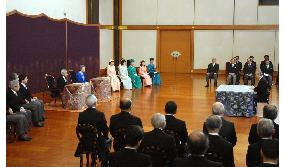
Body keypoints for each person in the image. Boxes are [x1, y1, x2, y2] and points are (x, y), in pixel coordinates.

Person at [75, 95, 110, 162]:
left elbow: (80, 129)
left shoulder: (81, 114)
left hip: (84, 141)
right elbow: (105, 129)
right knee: (107, 141)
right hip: (97, 142)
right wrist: (106, 137)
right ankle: (105, 160)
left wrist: (86, 135)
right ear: (95, 103)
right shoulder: (100, 114)